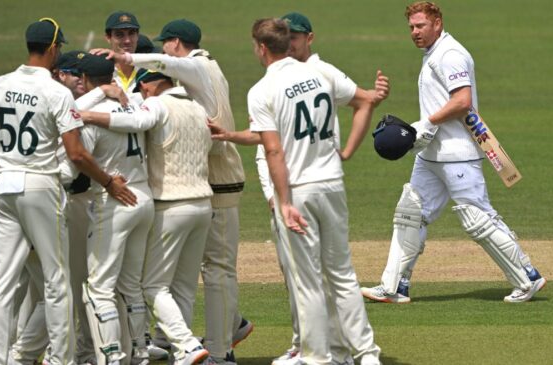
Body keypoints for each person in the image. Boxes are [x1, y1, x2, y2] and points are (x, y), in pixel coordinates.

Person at [210, 12, 389, 365]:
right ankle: (364, 355)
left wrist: (284, 200)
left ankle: (318, 358)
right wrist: (348, 151)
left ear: (261, 49)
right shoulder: (319, 74)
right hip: (332, 184)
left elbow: (273, 149)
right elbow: (366, 100)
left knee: (307, 282)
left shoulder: (262, 89)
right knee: (342, 276)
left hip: (300, 191)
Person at [360, 1, 546, 304]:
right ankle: (394, 286)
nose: (415, 32)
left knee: (478, 218)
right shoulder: (432, 54)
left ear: (437, 23)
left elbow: (462, 101)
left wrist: (428, 123)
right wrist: (426, 130)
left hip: (458, 153)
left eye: (421, 26)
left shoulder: (450, 54)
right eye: (411, 27)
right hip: (430, 155)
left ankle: (528, 278)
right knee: (410, 215)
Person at [0, 17, 135, 365]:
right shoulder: (56, 92)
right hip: (41, 186)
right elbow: (77, 153)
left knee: (2, 281)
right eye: (59, 48)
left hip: (3, 183)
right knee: (57, 280)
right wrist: (109, 182)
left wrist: (2, 174)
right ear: (52, 48)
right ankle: (62, 359)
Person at [96, 19, 251, 363]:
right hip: (205, 186)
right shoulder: (194, 92)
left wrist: (130, 61)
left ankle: (216, 348)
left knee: (212, 272)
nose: (162, 51)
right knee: (192, 277)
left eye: (165, 45)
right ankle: (195, 340)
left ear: (176, 42)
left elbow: (167, 74)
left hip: (209, 184)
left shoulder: (196, 65)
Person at [80, 68, 216, 365]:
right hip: (203, 204)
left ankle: (187, 346)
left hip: (170, 205)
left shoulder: (155, 104)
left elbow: (138, 120)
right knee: (182, 288)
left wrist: (88, 116)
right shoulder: (196, 105)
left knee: (152, 286)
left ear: (146, 85)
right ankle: (156, 352)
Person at [68, 53, 154, 365]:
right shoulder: (132, 106)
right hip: (143, 197)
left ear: (86, 80)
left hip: (114, 201)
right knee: (131, 285)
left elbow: (74, 165)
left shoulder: (90, 115)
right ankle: (140, 354)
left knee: (98, 289)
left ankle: (111, 357)